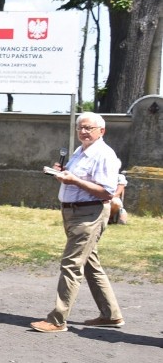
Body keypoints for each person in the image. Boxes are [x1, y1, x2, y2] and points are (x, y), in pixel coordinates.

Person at [30, 112, 125, 333]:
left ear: (101, 131)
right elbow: (77, 179)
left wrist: (74, 180)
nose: (83, 132)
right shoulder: (80, 152)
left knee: (71, 264)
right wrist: (62, 174)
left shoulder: (104, 155)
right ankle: (111, 315)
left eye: (88, 128)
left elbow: (107, 192)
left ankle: (57, 319)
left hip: (89, 214)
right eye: (80, 127)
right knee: (91, 264)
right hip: (73, 213)